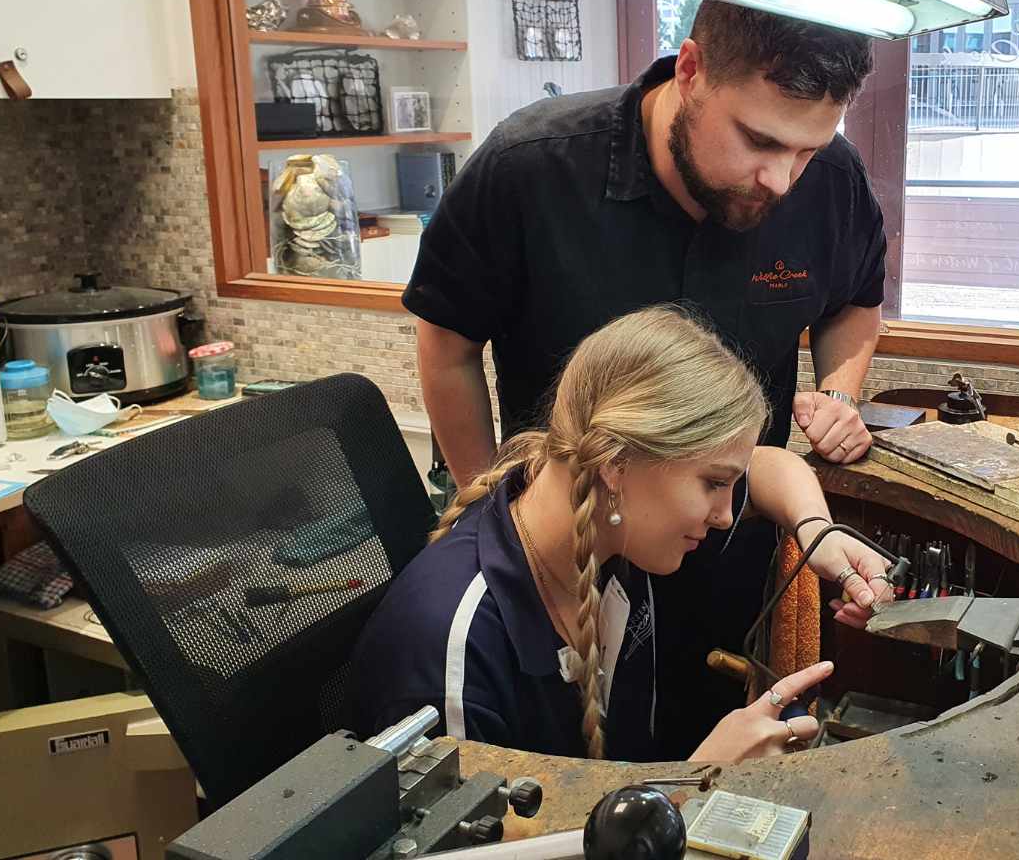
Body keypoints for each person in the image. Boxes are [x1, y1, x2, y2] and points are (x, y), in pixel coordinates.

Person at [403, 0, 887, 755]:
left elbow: (855, 305)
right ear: (690, 71)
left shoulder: (826, 179)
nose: (784, 180)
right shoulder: (529, 168)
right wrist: (499, 531)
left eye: (808, 151)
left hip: (713, 554)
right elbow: (447, 347)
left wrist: (837, 397)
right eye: (759, 140)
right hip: (566, 559)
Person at [352, 307, 892, 762]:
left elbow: (771, 468)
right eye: (713, 484)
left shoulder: (603, 515)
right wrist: (694, 783)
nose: (726, 515)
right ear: (616, 462)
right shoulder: (455, 650)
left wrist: (818, 533)